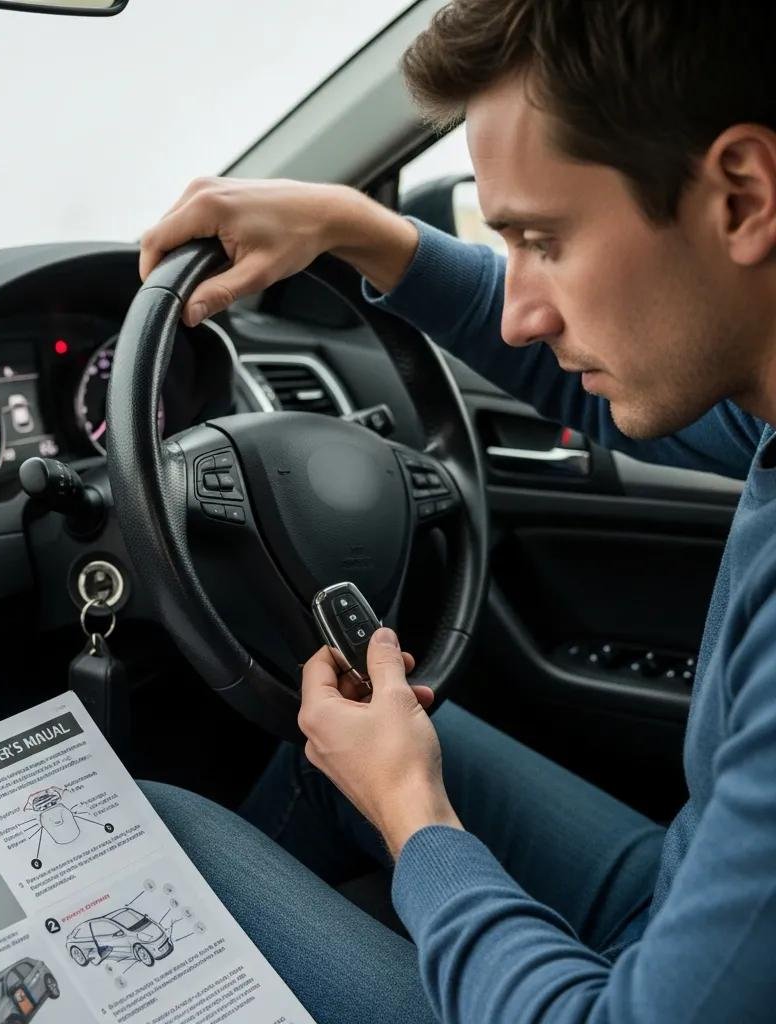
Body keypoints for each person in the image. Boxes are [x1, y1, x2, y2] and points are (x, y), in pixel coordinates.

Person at [137, 1, 776, 1021]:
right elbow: (595, 382)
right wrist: (358, 230)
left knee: (155, 835)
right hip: (681, 907)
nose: (522, 306)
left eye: (543, 239)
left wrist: (413, 814)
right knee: (326, 750)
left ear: (742, 198)